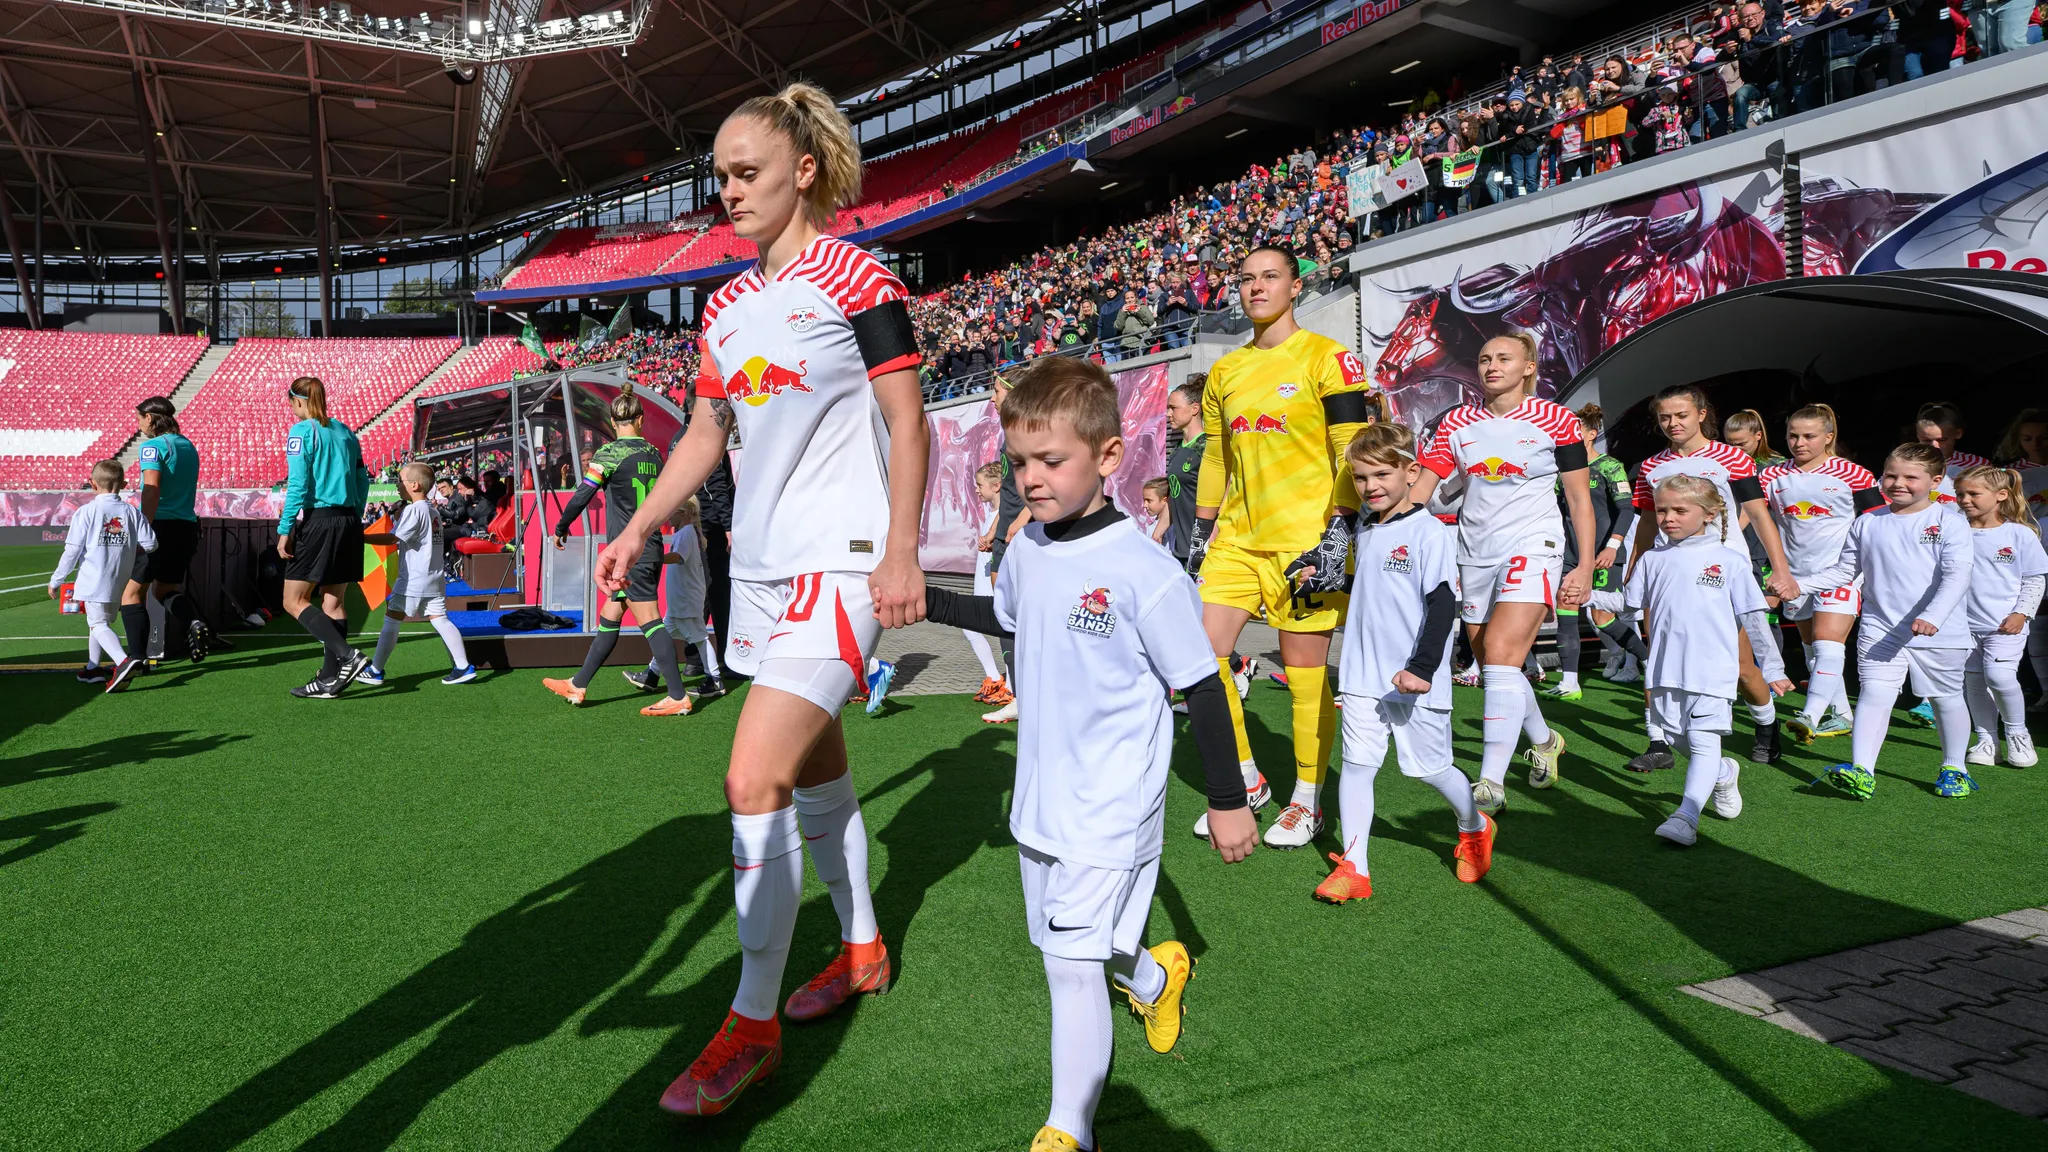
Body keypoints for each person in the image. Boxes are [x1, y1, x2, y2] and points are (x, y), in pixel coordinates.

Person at [596, 83, 930, 1118]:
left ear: (804, 171)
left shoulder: (859, 277)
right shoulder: (725, 305)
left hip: (847, 563)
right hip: (765, 573)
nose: (728, 192)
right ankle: (864, 947)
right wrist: (639, 525)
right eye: (720, 177)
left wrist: (903, 551)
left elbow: (907, 423)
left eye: (746, 173)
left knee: (751, 779)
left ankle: (749, 1025)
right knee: (816, 775)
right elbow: (706, 432)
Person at [916, 357, 1245, 1152]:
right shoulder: (1027, 548)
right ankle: (1159, 978)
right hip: (1042, 796)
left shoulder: (1145, 570)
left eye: (1050, 461)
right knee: (1080, 946)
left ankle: (1071, 1130)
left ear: (1106, 457)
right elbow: (1008, 619)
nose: (1030, 478)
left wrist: (1228, 801)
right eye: (1021, 461)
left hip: (1113, 798)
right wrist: (919, 597)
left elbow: (1201, 686)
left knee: (1067, 965)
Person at [1181, 244, 1376, 847]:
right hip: (1236, 539)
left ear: (1296, 286)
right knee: (1198, 661)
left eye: (1270, 277)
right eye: (1246, 279)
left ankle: (1308, 799)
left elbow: (1351, 443)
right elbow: (1216, 456)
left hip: (1309, 538)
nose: (1256, 287)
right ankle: (1244, 777)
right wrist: (1199, 530)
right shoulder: (1225, 370)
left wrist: (1342, 526)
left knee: (1304, 675)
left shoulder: (1329, 358)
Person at [1410, 334, 1596, 814]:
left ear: (1529, 367)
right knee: (1496, 663)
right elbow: (1425, 487)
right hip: (1473, 553)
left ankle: (1490, 782)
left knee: (1498, 655)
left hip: (1535, 545)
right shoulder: (1456, 421)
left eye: (1504, 358)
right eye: (1485, 359)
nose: (1492, 366)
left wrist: (1587, 564)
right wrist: (1388, 532)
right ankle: (1545, 738)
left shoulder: (1558, 420)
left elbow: (1578, 498)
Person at [1317, 422, 1495, 903]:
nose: (1370, 486)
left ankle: (1475, 826)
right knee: (1357, 765)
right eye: (1360, 478)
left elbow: (1441, 606)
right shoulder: (1362, 527)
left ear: (1410, 472)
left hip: (1414, 677)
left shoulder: (1429, 533)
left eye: (1381, 475)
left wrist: (1421, 668)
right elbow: (1375, 593)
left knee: (1428, 770)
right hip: (1359, 674)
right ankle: (1355, 867)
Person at [1625, 385, 1800, 768]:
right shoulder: (1651, 467)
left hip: (1721, 573)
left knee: (1740, 668)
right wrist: (1636, 563)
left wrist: (1781, 569)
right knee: (1658, 657)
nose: (1673, 423)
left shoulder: (1733, 458)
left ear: (1702, 414)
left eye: (1681, 415)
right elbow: (1648, 521)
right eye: (1665, 417)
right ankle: (1657, 742)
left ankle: (1766, 727)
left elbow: (1757, 514)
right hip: (1666, 572)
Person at [1798, 443, 1975, 800]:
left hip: (1939, 632)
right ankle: (1862, 770)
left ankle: (1955, 768)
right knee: (1875, 694)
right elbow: (1846, 570)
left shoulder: (1949, 521)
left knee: (1945, 698)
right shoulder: (1867, 522)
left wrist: (1932, 617)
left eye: (1911, 477)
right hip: (1881, 629)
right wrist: (1797, 586)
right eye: (1891, 474)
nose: (1898, 483)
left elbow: (1958, 576)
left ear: (1936, 481)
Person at [1626, 475, 1789, 845]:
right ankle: (1722, 773)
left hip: (1713, 670)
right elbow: (1629, 606)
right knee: (1676, 737)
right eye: (1663, 509)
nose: (1668, 517)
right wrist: (1583, 594)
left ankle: (1686, 817)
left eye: (1680, 510)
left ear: (1710, 513)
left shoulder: (1729, 561)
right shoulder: (1652, 559)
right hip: (1665, 671)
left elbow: (1753, 618)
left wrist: (1774, 667)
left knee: (1701, 739)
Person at [542, 385, 691, 716]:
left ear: (613, 421)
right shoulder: (654, 453)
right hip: (646, 545)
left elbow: (582, 494)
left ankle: (678, 696)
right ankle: (578, 684)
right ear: (640, 419)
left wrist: (561, 527)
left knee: (650, 621)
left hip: (630, 552)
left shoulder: (608, 454)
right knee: (611, 615)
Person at [1766, 405, 1883, 745]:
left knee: (1827, 641)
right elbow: (1753, 516)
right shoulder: (1772, 475)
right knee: (1812, 649)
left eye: (1808, 436)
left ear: (1829, 437)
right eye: (1792, 435)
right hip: (1793, 577)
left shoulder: (1855, 474)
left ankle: (1810, 715)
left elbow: (1878, 520)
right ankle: (1842, 713)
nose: (1798, 442)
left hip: (1841, 573)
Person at [277, 376, 371, 699]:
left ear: (298, 401)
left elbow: (298, 485)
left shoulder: (301, 432)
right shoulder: (346, 432)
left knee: (292, 600)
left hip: (320, 521)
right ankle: (330, 680)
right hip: (348, 520)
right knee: (334, 602)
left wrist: (285, 528)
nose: (290, 409)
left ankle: (348, 656)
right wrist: (353, 516)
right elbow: (363, 481)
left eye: (290, 403)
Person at [1543, 403, 1643, 700]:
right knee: (1567, 608)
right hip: (1569, 553)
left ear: (1591, 433)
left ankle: (1647, 660)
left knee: (1601, 616)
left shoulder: (1610, 467)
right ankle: (1570, 682)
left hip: (1603, 553)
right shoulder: (1560, 470)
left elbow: (1627, 509)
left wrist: (1612, 547)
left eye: (1575, 430)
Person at [1955, 466, 2045, 768]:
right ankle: (1985, 738)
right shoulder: (1954, 530)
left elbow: (2035, 579)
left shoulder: (2019, 534)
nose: (1965, 500)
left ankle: (2018, 734)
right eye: (1960, 494)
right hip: (1960, 625)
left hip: (2005, 625)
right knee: (1975, 681)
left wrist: (2022, 613)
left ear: (2001, 496)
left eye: (1973, 494)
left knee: (2000, 676)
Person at [358, 462, 478, 687]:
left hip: (414, 577)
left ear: (414, 485)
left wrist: (361, 537)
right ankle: (463, 666)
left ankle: (376, 669)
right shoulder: (431, 510)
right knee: (440, 619)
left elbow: (393, 539)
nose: (396, 486)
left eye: (400, 481)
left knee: (392, 617)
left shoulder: (415, 509)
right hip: (433, 576)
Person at [49, 460, 156, 693]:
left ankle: (123, 661)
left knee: (97, 623)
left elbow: (72, 550)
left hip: (94, 578)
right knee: (100, 623)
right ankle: (93, 667)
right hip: (120, 579)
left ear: (92, 484)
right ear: (124, 484)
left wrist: (56, 580)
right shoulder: (131, 511)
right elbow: (151, 544)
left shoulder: (86, 511)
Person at [121, 396, 213, 668]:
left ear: (149, 418)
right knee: (165, 589)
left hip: (159, 526)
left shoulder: (152, 447)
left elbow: (151, 489)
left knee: (132, 594)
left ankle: (136, 658)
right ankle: (193, 621)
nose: (138, 425)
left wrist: (143, 529)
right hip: (186, 527)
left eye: (139, 419)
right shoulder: (188, 446)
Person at [630, 497, 729, 704]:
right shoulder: (685, 532)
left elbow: (677, 557)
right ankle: (652, 674)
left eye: (672, 512)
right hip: (683, 600)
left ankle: (715, 679)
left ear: (683, 512)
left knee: (699, 638)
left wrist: (652, 558)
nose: (668, 517)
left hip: (686, 599)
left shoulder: (685, 533)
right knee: (664, 635)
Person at [1992, 408, 2048, 709]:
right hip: (2033, 555)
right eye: (2028, 438)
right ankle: (2043, 688)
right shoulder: (2013, 474)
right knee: (2037, 619)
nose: (2036, 444)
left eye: (2043, 437)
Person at [983, 372, 1030, 725]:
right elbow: (1010, 496)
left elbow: (1039, 484)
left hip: (1022, 536)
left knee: (1022, 618)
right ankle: (1018, 695)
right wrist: (998, 526)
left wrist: (1020, 521)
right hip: (1006, 536)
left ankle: (1032, 695)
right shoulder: (1009, 432)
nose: (991, 397)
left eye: (996, 390)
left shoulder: (1026, 431)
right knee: (1005, 618)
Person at [963, 461, 1014, 707]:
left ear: (996, 486)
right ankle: (994, 677)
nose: (976, 489)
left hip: (996, 582)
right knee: (970, 627)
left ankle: (1012, 686)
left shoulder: (1007, 514)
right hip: (982, 581)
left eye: (979, 485)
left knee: (1006, 630)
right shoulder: (992, 513)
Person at [1162, 375, 1206, 564]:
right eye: (1167, 408)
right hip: (1180, 550)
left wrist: (1208, 545)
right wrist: (1157, 534)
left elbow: (1223, 502)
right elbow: (1174, 497)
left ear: (1194, 408)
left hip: (1203, 551)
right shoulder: (1177, 449)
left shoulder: (1207, 447)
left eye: (1173, 408)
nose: (1168, 414)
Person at [1142, 476, 1172, 548]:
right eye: (1144, 500)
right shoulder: (1149, 528)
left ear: (1164, 500)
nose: (1145, 505)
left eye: (1149, 501)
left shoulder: (1175, 527)